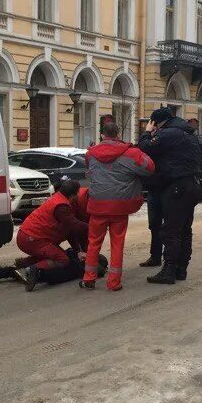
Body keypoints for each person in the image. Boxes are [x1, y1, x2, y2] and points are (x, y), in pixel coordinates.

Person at [138, 107, 202, 285]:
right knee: (185, 229)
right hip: (192, 184)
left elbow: (144, 149)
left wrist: (147, 133)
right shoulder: (191, 135)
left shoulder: (168, 134)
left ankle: (168, 270)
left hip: (176, 187)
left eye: (152, 124)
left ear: (155, 123)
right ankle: (181, 269)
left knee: (170, 230)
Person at [81, 121, 155, 291]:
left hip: (97, 205)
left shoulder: (91, 153)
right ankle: (114, 282)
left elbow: (90, 168)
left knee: (93, 243)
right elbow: (150, 167)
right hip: (120, 206)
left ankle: (89, 278)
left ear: (102, 135)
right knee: (117, 242)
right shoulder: (131, 153)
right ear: (118, 134)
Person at [8, 178, 90, 291]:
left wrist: (78, 251)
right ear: (73, 195)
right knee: (62, 259)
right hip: (32, 238)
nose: (79, 196)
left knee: (53, 254)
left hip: (28, 236)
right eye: (77, 193)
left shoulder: (59, 199)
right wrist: (95, 228)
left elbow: (69, 231)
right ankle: (31, 270)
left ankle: (22, 264)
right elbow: (74, 225)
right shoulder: (62, 207)